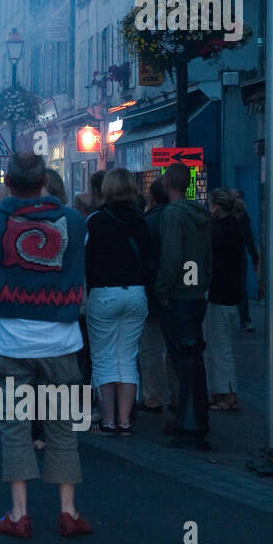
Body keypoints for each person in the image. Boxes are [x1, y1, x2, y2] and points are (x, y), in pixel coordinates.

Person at [0, 152, 91, 538]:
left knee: (15, 426)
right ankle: (69, 512)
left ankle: (19, 513)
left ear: (7, 183)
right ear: (44, 182)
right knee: (61, 426)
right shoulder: (73, 222)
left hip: (12, 343)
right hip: (60, 340)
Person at [84, 168, 153, 435]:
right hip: (135, 293)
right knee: (127, 357)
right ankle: (125, 421)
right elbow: (149, 259)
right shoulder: (140, 221)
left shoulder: (96, 220)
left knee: (103, 358)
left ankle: (108, 420)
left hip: (103, 293)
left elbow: (87, 261)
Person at [156, 163, 213, 446]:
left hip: (178, 294)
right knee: (194, 357)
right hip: (196, 293)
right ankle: (197, 414)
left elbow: (171, 256)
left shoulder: (173, 214)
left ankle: (186, 417)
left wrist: (163, 289)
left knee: (180, 358)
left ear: (167, 184)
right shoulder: (200, 214)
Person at [204, 188, 245, 412]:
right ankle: (221, 391)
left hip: (220, 295)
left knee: (220, 348)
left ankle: (228, 394)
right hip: (228, 294)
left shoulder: (222, 230)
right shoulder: (234, 227)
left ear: (216, 206)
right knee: (218, 347)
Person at [136, 176, 172, 413]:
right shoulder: (180, 220)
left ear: (151, 197)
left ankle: (153, 397)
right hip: (178, 294)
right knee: (175, 348)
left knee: (149, 349)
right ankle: (179, 396)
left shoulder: (147, 223)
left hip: (150, 293)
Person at [232, 189, 259, 330]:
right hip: (236, 255)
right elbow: (249, 240)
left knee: (240, 288)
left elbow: (249, 240)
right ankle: (244, 319)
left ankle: (244, 319)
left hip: (236, 255)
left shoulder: (240, 218)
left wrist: (255, 258)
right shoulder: (241, 218)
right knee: (239, 288)